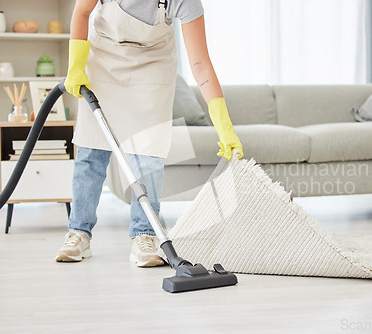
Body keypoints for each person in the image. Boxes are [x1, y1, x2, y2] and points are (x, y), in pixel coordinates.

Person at [55, 0, 243, 267]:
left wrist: (224, 126)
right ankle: (78, 232)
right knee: (91, 150)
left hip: (153, 65)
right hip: (103, 59)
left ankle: (144, 234)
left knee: (149, 155)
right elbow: (82, 11)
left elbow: (200, 62)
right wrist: (76, 66)